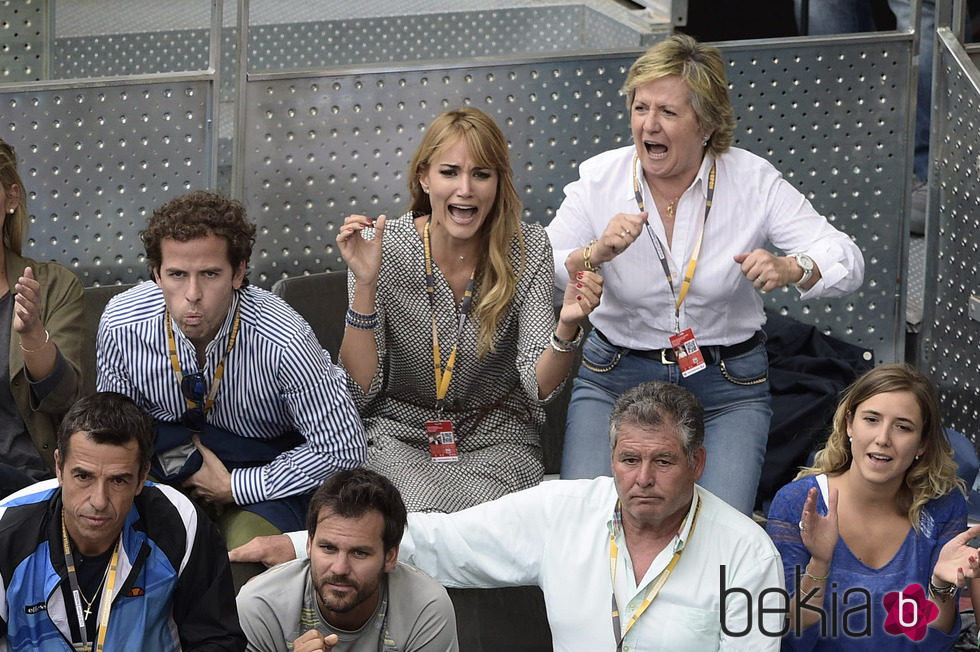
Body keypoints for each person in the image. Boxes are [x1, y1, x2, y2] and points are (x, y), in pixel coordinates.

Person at [546, 33, 865, 514]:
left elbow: (847, 259)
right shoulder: (601, 178)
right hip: (616, 376)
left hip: (726, 384)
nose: (648, 125)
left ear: (708, 124)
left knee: (718, 540)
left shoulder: (751, 179)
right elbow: (541, 262)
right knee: (585, 522)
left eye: (668, 113)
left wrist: (792, 267)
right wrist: (595, 252)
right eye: (640, 108)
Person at [231, 381, 785, 651]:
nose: (642, 479)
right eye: (628, 459)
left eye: (663, 461)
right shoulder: (565, 509)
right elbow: (442, 540)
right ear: (610, 458)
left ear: (698, 463)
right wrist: (307, 545)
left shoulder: (747, 554)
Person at [336, 107, 601, 512]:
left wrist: (566, 326)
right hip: (400, 434)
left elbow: (538, 388)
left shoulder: (527, 249)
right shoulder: (382, 246)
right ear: (424, 178)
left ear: (498, 183)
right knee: (413, 511)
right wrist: (366, 284)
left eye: (481, 174)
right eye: (449, 172)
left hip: (497, 437)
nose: (465, 189)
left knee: (491, 522)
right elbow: (358, 391)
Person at [97, 190, 366, 546]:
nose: (192, 293)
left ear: (238, 273)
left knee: (246, 557)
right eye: (177, 274)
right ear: (156, 274)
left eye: (210, 274)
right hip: (163, 464)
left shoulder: (283, 338)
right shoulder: (122, 322)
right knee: (120, 540)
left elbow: (344, 448)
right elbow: (115, 431)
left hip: (263, 467)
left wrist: (235, 487)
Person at [0, 392, 245, 651]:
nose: (99, 500)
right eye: (83, 477)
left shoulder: (179, 522)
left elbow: (218, 640)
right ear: (59, 467)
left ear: (142, 477)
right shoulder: (7, 532)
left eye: (118, 480)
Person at [766, 364, 980, 649]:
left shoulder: (942, 505)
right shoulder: (797, 502)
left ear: (922, 444)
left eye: (903, 427)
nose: (883, 439)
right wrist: (819, 564)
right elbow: (791, 640)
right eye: (871, 420)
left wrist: (940, 588)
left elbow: (931, 645)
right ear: (848, 425)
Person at [236, 468, 458, 652]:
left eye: (359, 553)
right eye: (328, 548)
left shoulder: (425, 607)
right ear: (308, 545)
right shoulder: (261, 606)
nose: (340, 568)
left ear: (390, 557)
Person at [0, 138, 84, 497]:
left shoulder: (53, 286)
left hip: (26, 484)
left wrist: (33, 334)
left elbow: (65, 400)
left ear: (12, 199)